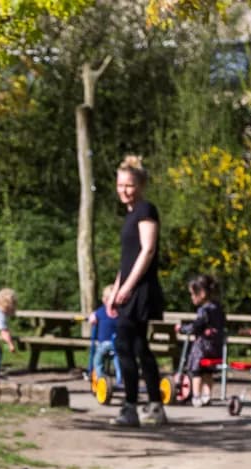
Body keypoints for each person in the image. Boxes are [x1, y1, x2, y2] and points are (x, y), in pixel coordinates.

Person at [106, 155, 167, 428]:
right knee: (138, 346)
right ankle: (153, 404)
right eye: (120, 185)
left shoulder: (146, 210)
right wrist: (115, 291)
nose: (124, 190)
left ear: (140, 185)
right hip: (128, 289)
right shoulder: (131, 215)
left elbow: (147, 250)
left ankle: (132, 406)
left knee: (126, 345)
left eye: (129, 185)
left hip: (141, 290)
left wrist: (129, 288)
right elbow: (127, 259)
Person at [179, 274, 228, 406]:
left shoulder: (204, 310)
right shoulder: (218, 308)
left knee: (197, 371)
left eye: (192, 294)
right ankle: (207, 395)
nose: (191, 298)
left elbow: (197, 326)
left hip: (203, 347)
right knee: (208, 372)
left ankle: (196, 396)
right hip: (216, 346)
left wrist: (182, 329)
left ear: (201, 294)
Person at [86, 285, 120, 389]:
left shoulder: (104, 311)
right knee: (116, 362)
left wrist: (92, 318)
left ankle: (103, 379)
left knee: (98, 360)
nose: (105, 300)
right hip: (113, 345)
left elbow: (93, 317)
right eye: (105, 297)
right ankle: (115, 380)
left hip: (109, 345)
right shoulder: (116, 312)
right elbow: (93, 317)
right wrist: (92, 318)